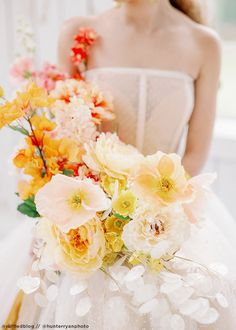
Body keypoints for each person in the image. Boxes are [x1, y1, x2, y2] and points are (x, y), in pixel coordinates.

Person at [1, 0, 236, 329]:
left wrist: (153, 214)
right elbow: (68, 140)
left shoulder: (203, 43)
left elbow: (195, 152)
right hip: (89, 215)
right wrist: (99, 212)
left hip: (168, 216)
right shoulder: (78, 33)